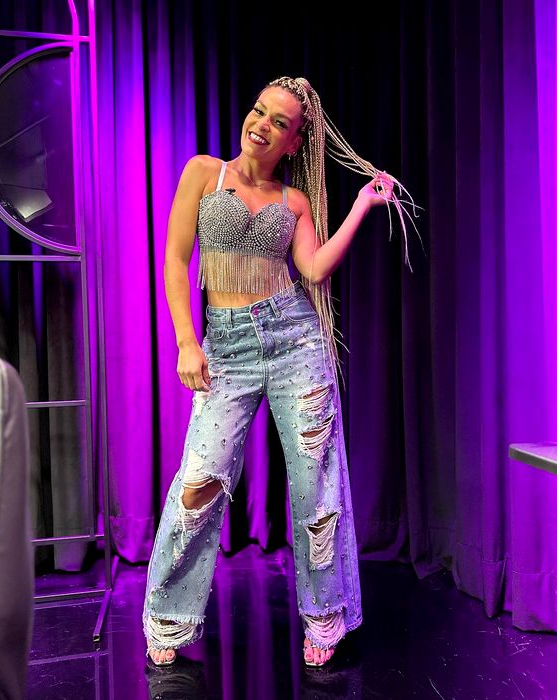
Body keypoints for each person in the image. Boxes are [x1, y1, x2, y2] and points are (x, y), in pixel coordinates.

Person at [142, 76, 412, 669]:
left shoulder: (294, 202)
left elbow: (312, 270)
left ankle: (326, 615)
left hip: (295, 342)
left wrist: (362, 206)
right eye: (259, 111)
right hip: (227, 347)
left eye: (279, 122)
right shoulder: (203, 173)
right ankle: (169, 615)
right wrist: (187, 341)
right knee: (199, 483)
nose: (261, 125)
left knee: (316, 484)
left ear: (294, 141)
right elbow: (175, 260)